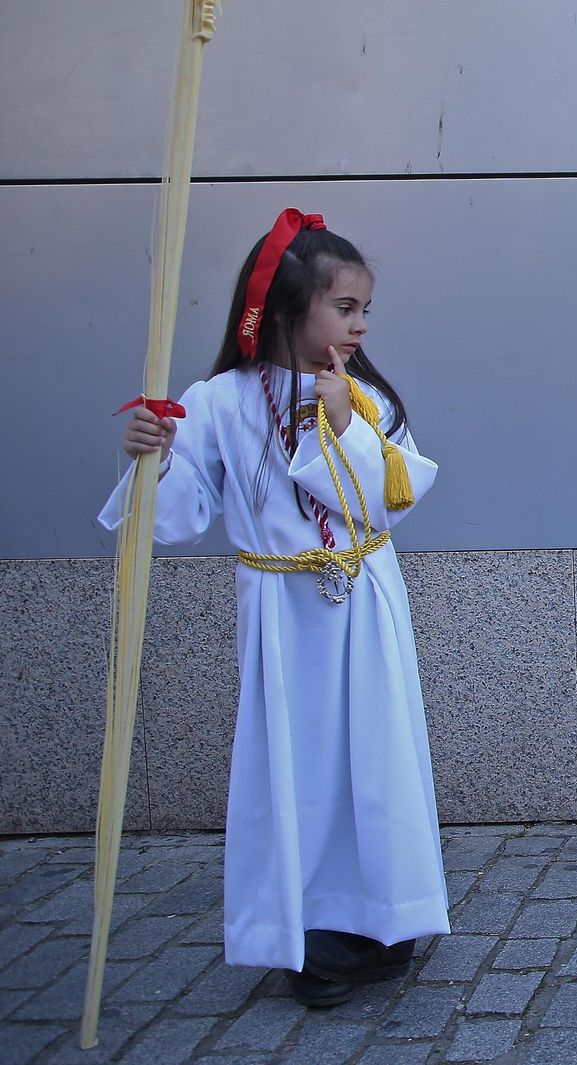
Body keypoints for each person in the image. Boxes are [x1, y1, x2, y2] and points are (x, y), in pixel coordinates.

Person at [101, 209, 448, 1007]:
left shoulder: (364, 399)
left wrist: (339, 421)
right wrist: (152, 457)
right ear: (291, 310)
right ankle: (313, 930)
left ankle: (383, 917)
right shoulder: (219, 400)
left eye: (365, 310)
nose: (359, 324)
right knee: (300, 769)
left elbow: (386, 502)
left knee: (375, 759)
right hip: (282, 613)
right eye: (345, 307)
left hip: (362, 602)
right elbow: (181, 511)